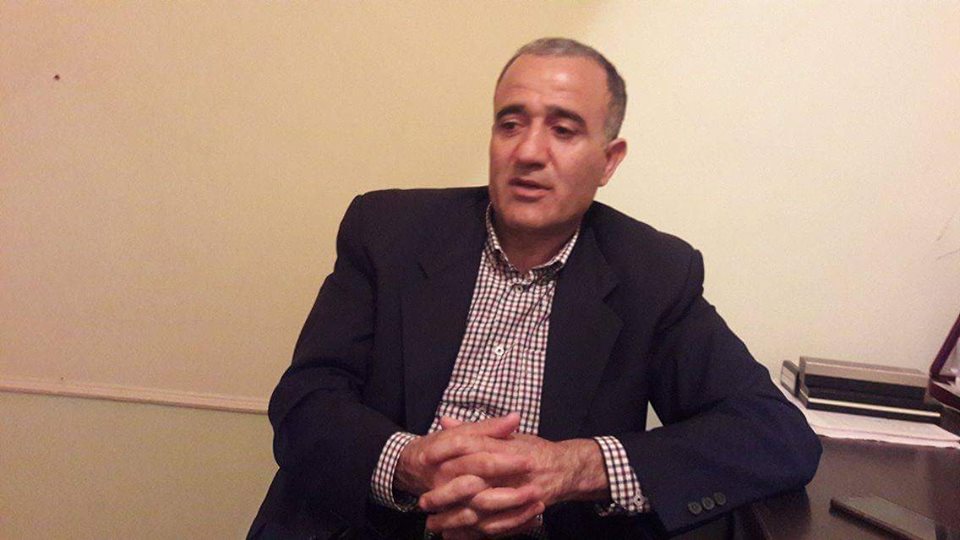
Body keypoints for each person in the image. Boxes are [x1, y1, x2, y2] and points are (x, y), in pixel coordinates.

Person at [249, 38, 821, 539]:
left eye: (563, 130)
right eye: (511, 124)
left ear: (609, 161)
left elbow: (774, 434)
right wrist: (414, 463)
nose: (527, 152)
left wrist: (576, 468)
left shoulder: (654, 273)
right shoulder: (387, 231)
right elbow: (306, 402)